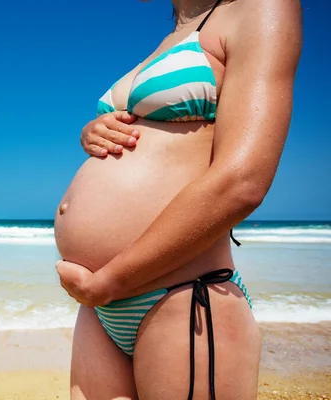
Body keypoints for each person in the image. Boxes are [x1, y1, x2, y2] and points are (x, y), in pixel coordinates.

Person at [53, 0, 302, 399]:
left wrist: (110, 281)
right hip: (101, 307)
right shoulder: (172, 38)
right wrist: (95, 131)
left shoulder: (259, 7)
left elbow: (243, 180)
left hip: (182, 294)